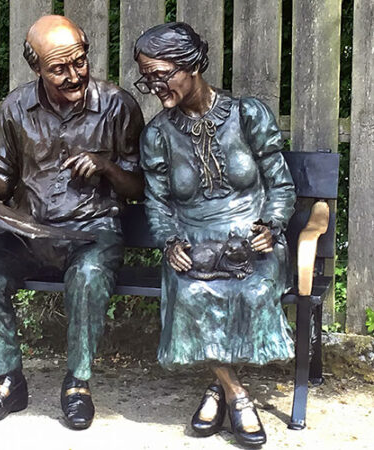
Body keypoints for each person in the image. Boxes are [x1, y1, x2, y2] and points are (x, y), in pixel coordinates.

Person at [0, 15, 144, 429]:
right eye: (59, 68)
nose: (74, 75)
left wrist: (106, 167)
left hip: (91, 230)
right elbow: (2, 180)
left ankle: (77, 385)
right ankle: (8, 383)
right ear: (36, 67)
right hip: (29, 231)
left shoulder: (117, 105)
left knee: (88, 276)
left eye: (80, 62)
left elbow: (138, 186)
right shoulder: (16, 108)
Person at [134, 22, 296, 447]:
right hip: (193, 243)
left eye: (160, 74)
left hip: (251, 240)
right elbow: (157, 202)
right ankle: (237, 395)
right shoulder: (157, 135)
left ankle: (216, 388)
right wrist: (170, 242)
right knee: (190, 292)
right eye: (146, 77)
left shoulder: (247, 114)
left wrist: (272, 225)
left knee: (254, 291)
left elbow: (280, 185)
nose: (153, 86)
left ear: (191, 66)